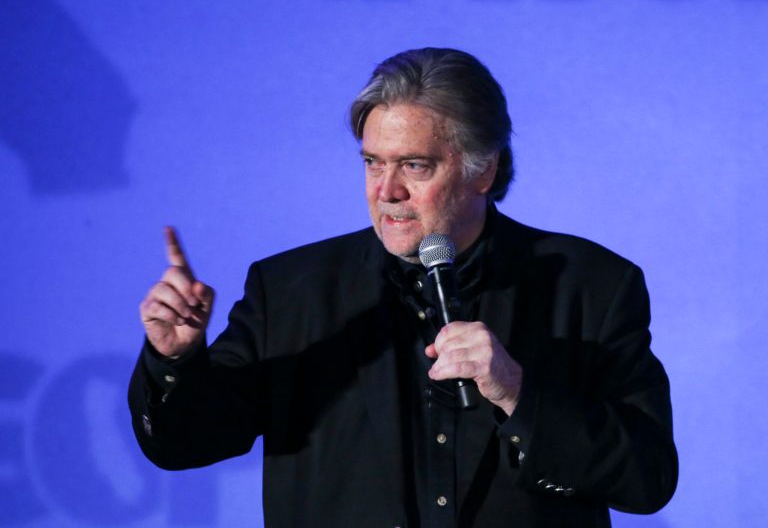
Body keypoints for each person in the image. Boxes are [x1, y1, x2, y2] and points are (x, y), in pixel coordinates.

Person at [129, 47, 678, 527]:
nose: (386, 191)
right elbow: (183, 443)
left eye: (414, 166)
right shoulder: (291, 290)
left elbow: (647, 479)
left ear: (483, 170)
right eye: (372, 163)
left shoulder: (592, 285)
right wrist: (174, 360)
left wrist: (517, 392)